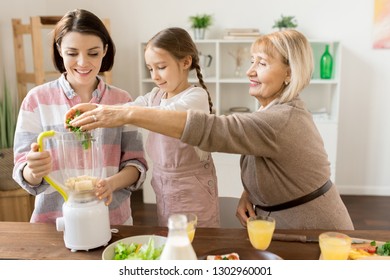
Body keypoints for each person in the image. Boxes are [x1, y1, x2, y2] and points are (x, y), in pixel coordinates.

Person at [66, 29, 354, 230]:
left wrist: (122, 112)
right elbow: (272, 165)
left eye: (261, 63)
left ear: (290, 72)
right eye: (251, 61)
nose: (249, 71)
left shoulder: (282, 119)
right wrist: (251, 193)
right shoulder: (271, 111)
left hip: (315, 230)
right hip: (278, 225)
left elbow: (214, 129)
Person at [67, 27, 220, 228]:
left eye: (161, 67)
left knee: (199, 240)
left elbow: (167, 116)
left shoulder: (195, 97)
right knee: (171, 237)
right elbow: (129, 108)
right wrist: (97, 110)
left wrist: (118, 114)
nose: (155, 76)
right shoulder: (155, 96)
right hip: (164, 186)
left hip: (194, 188)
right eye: (150, 68)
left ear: (186, 62)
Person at [12, 9, 147, 225]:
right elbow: (22, 169)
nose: (83, 62)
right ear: (59, 51)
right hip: (54, 223)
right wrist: (33, 170)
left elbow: (136, 165)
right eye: (72, 53)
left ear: (105, 50)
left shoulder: (122, 100)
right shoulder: (36, 100)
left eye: (93, 53)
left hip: (112, 220)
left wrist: (111, 184)